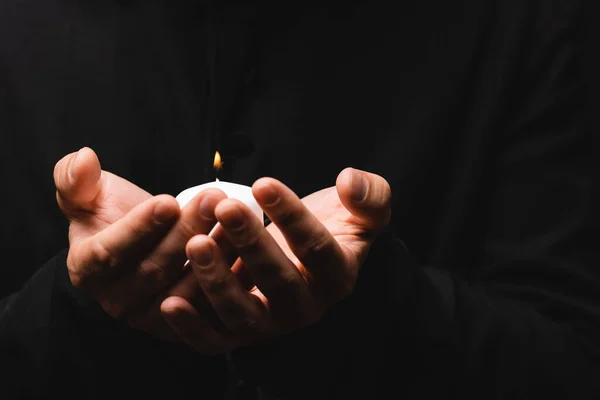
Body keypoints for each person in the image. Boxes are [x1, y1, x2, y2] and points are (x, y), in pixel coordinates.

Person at [1, 0, 599, 399]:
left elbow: (572, 364)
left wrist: (376, 301)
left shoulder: (530, 24)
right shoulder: (20, 31)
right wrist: (83, 308)